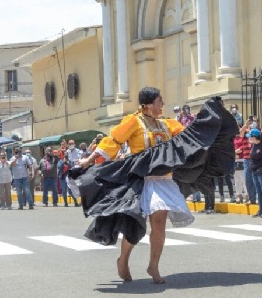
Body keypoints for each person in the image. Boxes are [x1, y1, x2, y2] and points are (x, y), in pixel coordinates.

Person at [77, 87, 194, 284]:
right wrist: (89, 160)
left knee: (159, 223)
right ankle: (123, 260)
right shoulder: (133, 122)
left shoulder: (166, 124)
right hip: (140, 180)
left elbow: (188, 136)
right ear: (148, 104)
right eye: (159, 101)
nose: (162, 104)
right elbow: (113, 140)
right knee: (135, 224)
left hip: (163, 180)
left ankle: (153, 266)